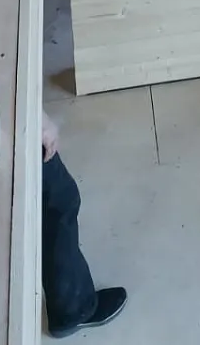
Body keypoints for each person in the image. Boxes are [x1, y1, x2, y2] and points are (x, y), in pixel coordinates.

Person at [41, 111, 128, 336]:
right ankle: (72, 310)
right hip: (6, 128)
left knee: (49, 200)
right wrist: (38, 121)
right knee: (59, 201)